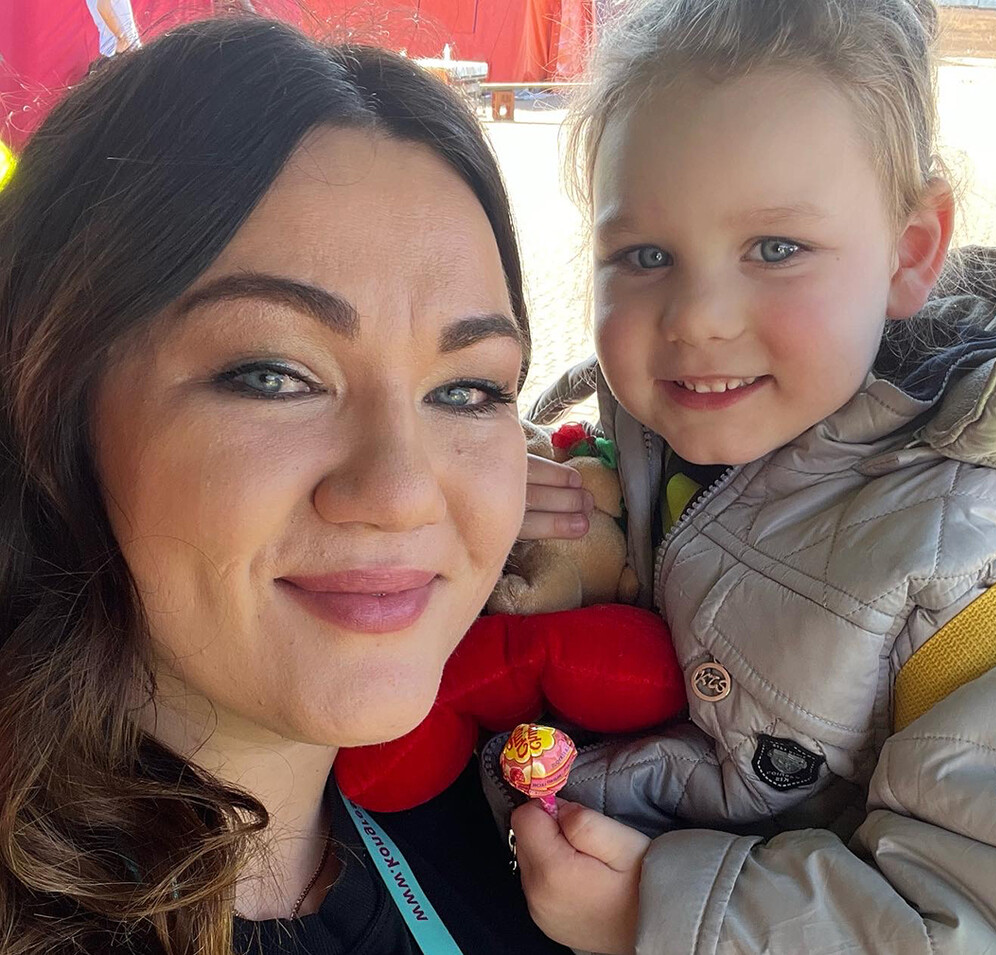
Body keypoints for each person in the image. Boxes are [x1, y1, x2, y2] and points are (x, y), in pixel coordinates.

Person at [509, 0, 996, 952]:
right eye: (643, 256)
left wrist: (658, 913)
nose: (697, 317)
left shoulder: (972, 550)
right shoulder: (628, 440)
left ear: (911, 253)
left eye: (776, 249)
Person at [0, 17, 573, 955]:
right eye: (274, 374)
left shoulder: (533, 816)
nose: (399, 491)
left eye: (468, 390)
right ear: (52, 403)